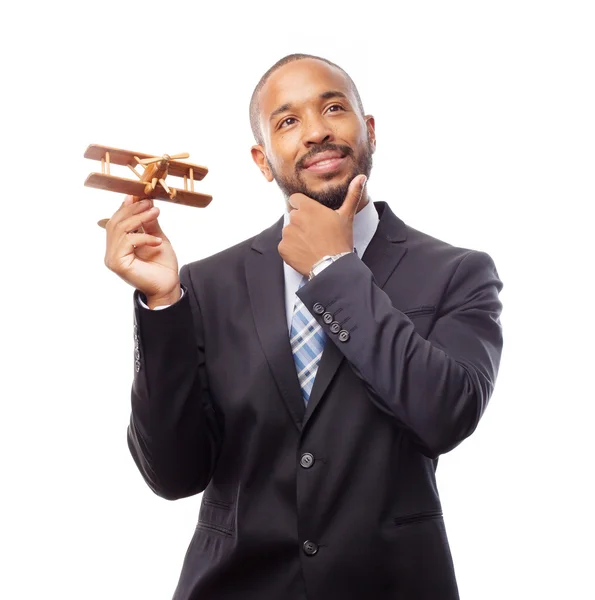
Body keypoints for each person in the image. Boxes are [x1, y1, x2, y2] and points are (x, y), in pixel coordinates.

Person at [104, 53, 504, 600]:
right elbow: (173, 474)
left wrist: (334, 269)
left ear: (368, 132)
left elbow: (445, 415)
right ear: (263, 160)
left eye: (333, 108)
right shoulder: (206, 284)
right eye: (287, 121)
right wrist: (163, 302)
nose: (316, 131)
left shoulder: (458, 273)